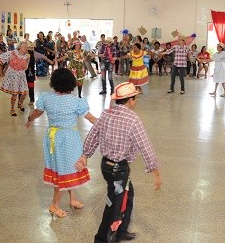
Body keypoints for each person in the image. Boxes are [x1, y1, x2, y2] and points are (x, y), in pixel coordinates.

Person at [76, 82, 162, 243]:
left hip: (106, 166)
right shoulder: (133, 119)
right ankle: (102, 239)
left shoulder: (106, 114)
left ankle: (121, 231)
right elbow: (145, 146)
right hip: (119, 169)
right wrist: (155, 170)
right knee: (114, 206)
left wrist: (85, 155)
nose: (135, 102)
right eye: (135, 99)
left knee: (128, 195)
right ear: (130, 100)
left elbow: (93, 135)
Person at [25, 68, 96, 218]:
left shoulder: (45, 97)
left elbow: (37, 112)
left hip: (53, 137)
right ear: (71, 83)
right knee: (65, 170)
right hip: (69, 138)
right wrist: (105, 123)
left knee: (66, 167)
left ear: (54, 82)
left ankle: (73, 198)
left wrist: (30, 119)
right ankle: (54, 205)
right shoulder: (76, 101)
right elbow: (90, 117)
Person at [0, 42, 30, 116]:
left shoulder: (27, 56)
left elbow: (26, 67)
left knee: (24, 93)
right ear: (19, 47)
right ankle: (12, 109)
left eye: (27, 47)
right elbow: (0, 58)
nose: (26, 48)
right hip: (13, 76)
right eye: (25, 46)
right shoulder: (12, 53)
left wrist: (23, 65)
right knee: (14, 94)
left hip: (22, 76)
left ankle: (20, 103)